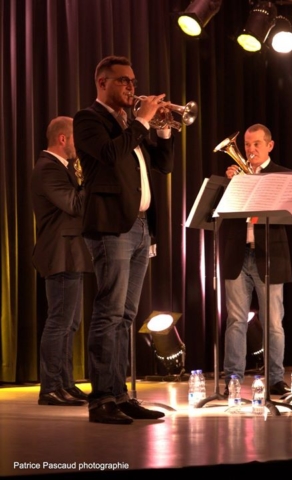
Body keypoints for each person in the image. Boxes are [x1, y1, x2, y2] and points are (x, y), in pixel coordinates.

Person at [73, 55, 175, 424]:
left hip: (140, 226)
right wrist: (143, 121)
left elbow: (163, 167)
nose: (132, 88)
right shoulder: (89, 120)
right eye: (123, 81)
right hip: (112, 227)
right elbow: (108, 156)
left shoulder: (130, 124)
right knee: (109, 312)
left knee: (126, 315)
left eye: (133, 81)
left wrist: (162, 129)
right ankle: (101, 400)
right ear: (102, 83)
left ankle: (120, 394)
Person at [222, 123, 292, 396]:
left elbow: (287, 214)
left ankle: (275, 378)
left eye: (256, 145)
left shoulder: (282, 176)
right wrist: (230, 186)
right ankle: (233, 379)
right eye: (247, 145)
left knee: (273, 321)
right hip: (237, 253)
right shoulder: (235, 176)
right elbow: (221, 215)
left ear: (269, 146)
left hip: (270, 254)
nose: (250, 150)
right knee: (236, 320)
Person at [31, 116, 93, 406]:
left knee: (70, 323)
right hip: (61, 253)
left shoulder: (59, 167)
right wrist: (91, 178)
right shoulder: (47, 168)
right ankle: (51, 387)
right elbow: (75, 204)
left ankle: (65, 383)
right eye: (76, 139)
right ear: (63, 139)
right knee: (59, 322)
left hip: (70, 253)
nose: (79, 146)